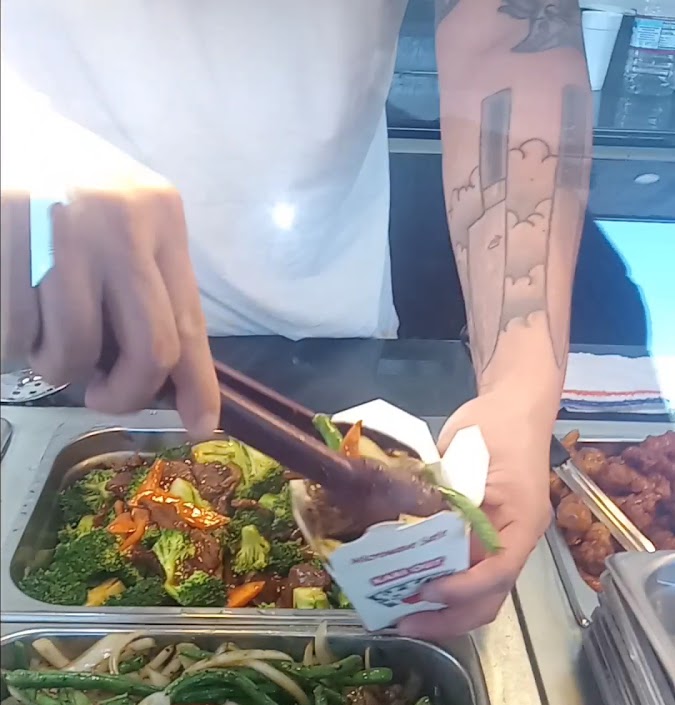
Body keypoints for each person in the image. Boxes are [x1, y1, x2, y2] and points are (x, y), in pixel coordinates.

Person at [1, 1, 592, 640]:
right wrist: (24, 139)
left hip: (334, 326)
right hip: (57, 316)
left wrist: (520, 393)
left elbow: (513, 32)